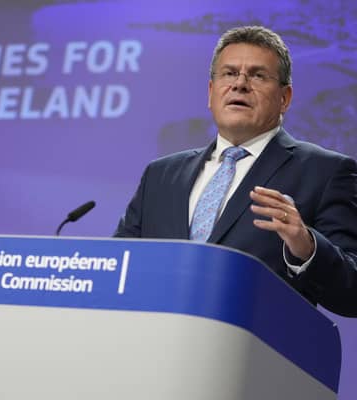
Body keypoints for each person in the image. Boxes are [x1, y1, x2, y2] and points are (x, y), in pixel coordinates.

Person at [114, 26, 357, 317]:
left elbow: (351, 294)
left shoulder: (325, 171)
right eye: (229, 74)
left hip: (256, 353)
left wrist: (307, 247)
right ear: (211, 91)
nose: (240, 84)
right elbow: (120, 265)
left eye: (257, 75)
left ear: (285, 98)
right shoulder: (160, 175)